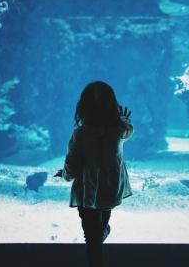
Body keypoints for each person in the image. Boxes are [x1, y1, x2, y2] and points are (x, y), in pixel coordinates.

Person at [54, 81, 134, 267]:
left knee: (91, 238)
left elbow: (72, 165)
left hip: (87, 192)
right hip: (110, 188)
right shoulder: (119, 130)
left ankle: (99, 238)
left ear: (83, 107)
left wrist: (64, 174)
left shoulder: (81, 133)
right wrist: (123, 119)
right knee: (99, 227)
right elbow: (129, 131)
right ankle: (102, 232)